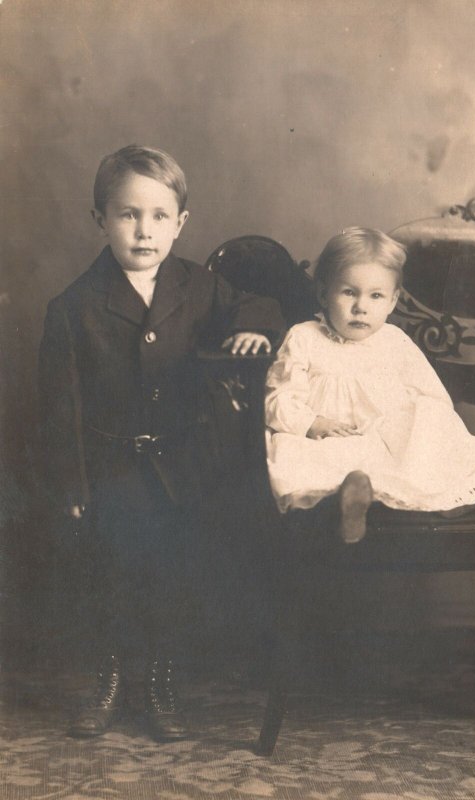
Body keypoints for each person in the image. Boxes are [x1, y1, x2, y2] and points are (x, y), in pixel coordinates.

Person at [38, 144, 284, 741]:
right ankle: (112, 679)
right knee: (112, 574)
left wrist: (252, 327)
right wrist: (73, 481)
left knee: (174, 575)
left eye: (158, 216)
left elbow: (263, 304)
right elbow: (59, 407)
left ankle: (162, 685)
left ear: (180, 222)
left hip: (183, 465)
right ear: (100, 219)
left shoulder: (200, 285)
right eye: (127, 215)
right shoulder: (74, 306)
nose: (144, 231)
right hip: (112, 464)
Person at [265, 227, 475, 543]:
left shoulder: (394, 341)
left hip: (390, 442)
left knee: (429, 415)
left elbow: (432, 394)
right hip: (331, 439)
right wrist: (312, 422)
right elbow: (278, 397)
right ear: (322, 294)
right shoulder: (304, 338)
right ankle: (348, 505)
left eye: (376, 296)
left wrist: (411, 424)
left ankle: (441, 493)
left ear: (392, 301)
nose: (361, 307)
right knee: (298, 455)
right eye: (348, 292)